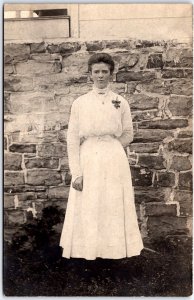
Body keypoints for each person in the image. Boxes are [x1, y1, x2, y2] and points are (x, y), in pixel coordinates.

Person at [60, 53, 144, 260]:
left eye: (104, 72)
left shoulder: (120, 101)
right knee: (89, 202)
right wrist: (76, 173)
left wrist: (112, 147)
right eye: (96, 72)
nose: (100, 76)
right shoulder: (80, 103)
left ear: (111, 74)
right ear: (90, 74)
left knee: (112, 202)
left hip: (114, 159)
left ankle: (113, 252)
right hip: (88, 156)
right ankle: (87, 252)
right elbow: (72, 139)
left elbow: (128, 134)